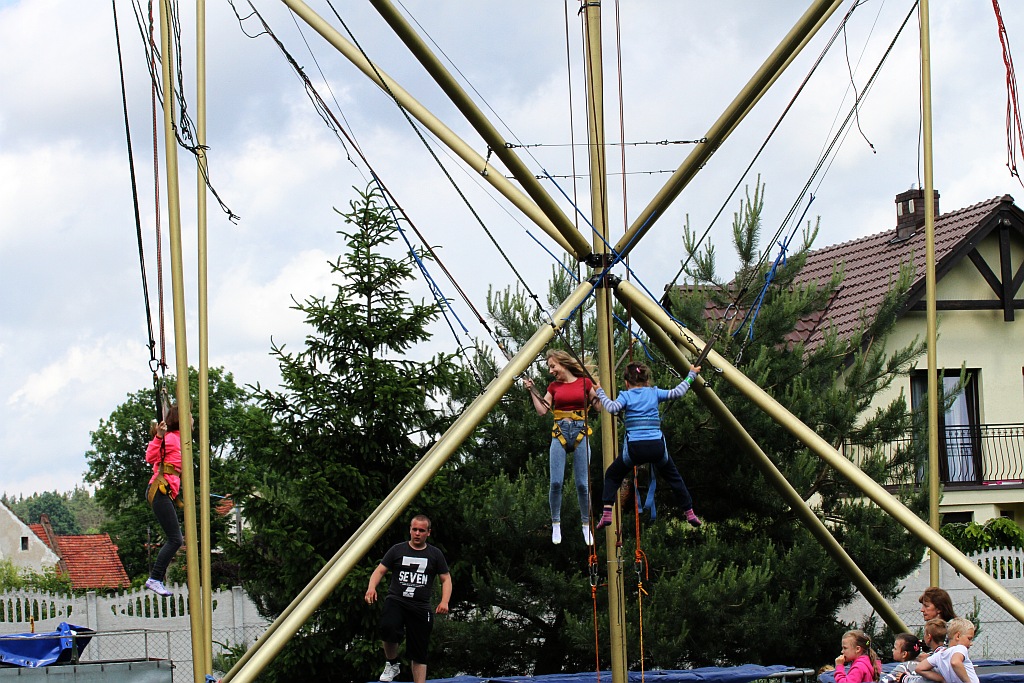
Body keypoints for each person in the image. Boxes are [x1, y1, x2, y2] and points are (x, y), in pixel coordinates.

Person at [593, 362, 702, 531]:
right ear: (647, 380)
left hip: (635, 450)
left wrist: (600, 391)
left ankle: (607, 511)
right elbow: (678, 392)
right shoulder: (654, 392)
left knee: (613, 475)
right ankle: (689, 511)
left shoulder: (626, 396)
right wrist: (691, 374)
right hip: (656, 448)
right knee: (675, 478)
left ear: (627, 383)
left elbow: (612, 407)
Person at [523, 349, 600, 545]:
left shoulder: (585, 383)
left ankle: (586, 525)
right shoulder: (554, 387)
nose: (551, 370)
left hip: (581, 432)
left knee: (582, 484)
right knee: (556, 483)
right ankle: (556, 523)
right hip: (560, 433)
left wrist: (599, 392)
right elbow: (542, 410)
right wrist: (533, 390)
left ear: (563, 363)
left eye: (553, 366)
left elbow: (598, 407)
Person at [365, 514, 452, 683]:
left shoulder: (435, 554)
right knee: (388, 627)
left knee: (419, 650)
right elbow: (380, 570)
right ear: (410, 530)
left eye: (421, 530)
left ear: (428, 532)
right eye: (414, 529)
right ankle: (392, 663)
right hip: (397, 599)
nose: (417, 533)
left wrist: (444, 601)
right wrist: (371, 588)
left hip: (420, 606)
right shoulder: (397, 550)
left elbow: (446, 578)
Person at [144, 405, 185, 597]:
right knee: (176, 539)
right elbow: (150, 457)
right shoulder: (169, 438)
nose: (192, 421)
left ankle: (156, 578)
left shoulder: (179, 439)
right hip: (159, 490)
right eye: (190, 417)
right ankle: (155, 578)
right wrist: (159, 436)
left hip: (167, 491)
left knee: (176, 538)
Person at [914, 618, 978, 683]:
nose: (971, 643)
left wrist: (942, 679)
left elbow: (919, 668)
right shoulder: (960, 648)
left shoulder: (939, 655)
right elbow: (955, 662)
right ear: (958, 636)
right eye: (969, 638)